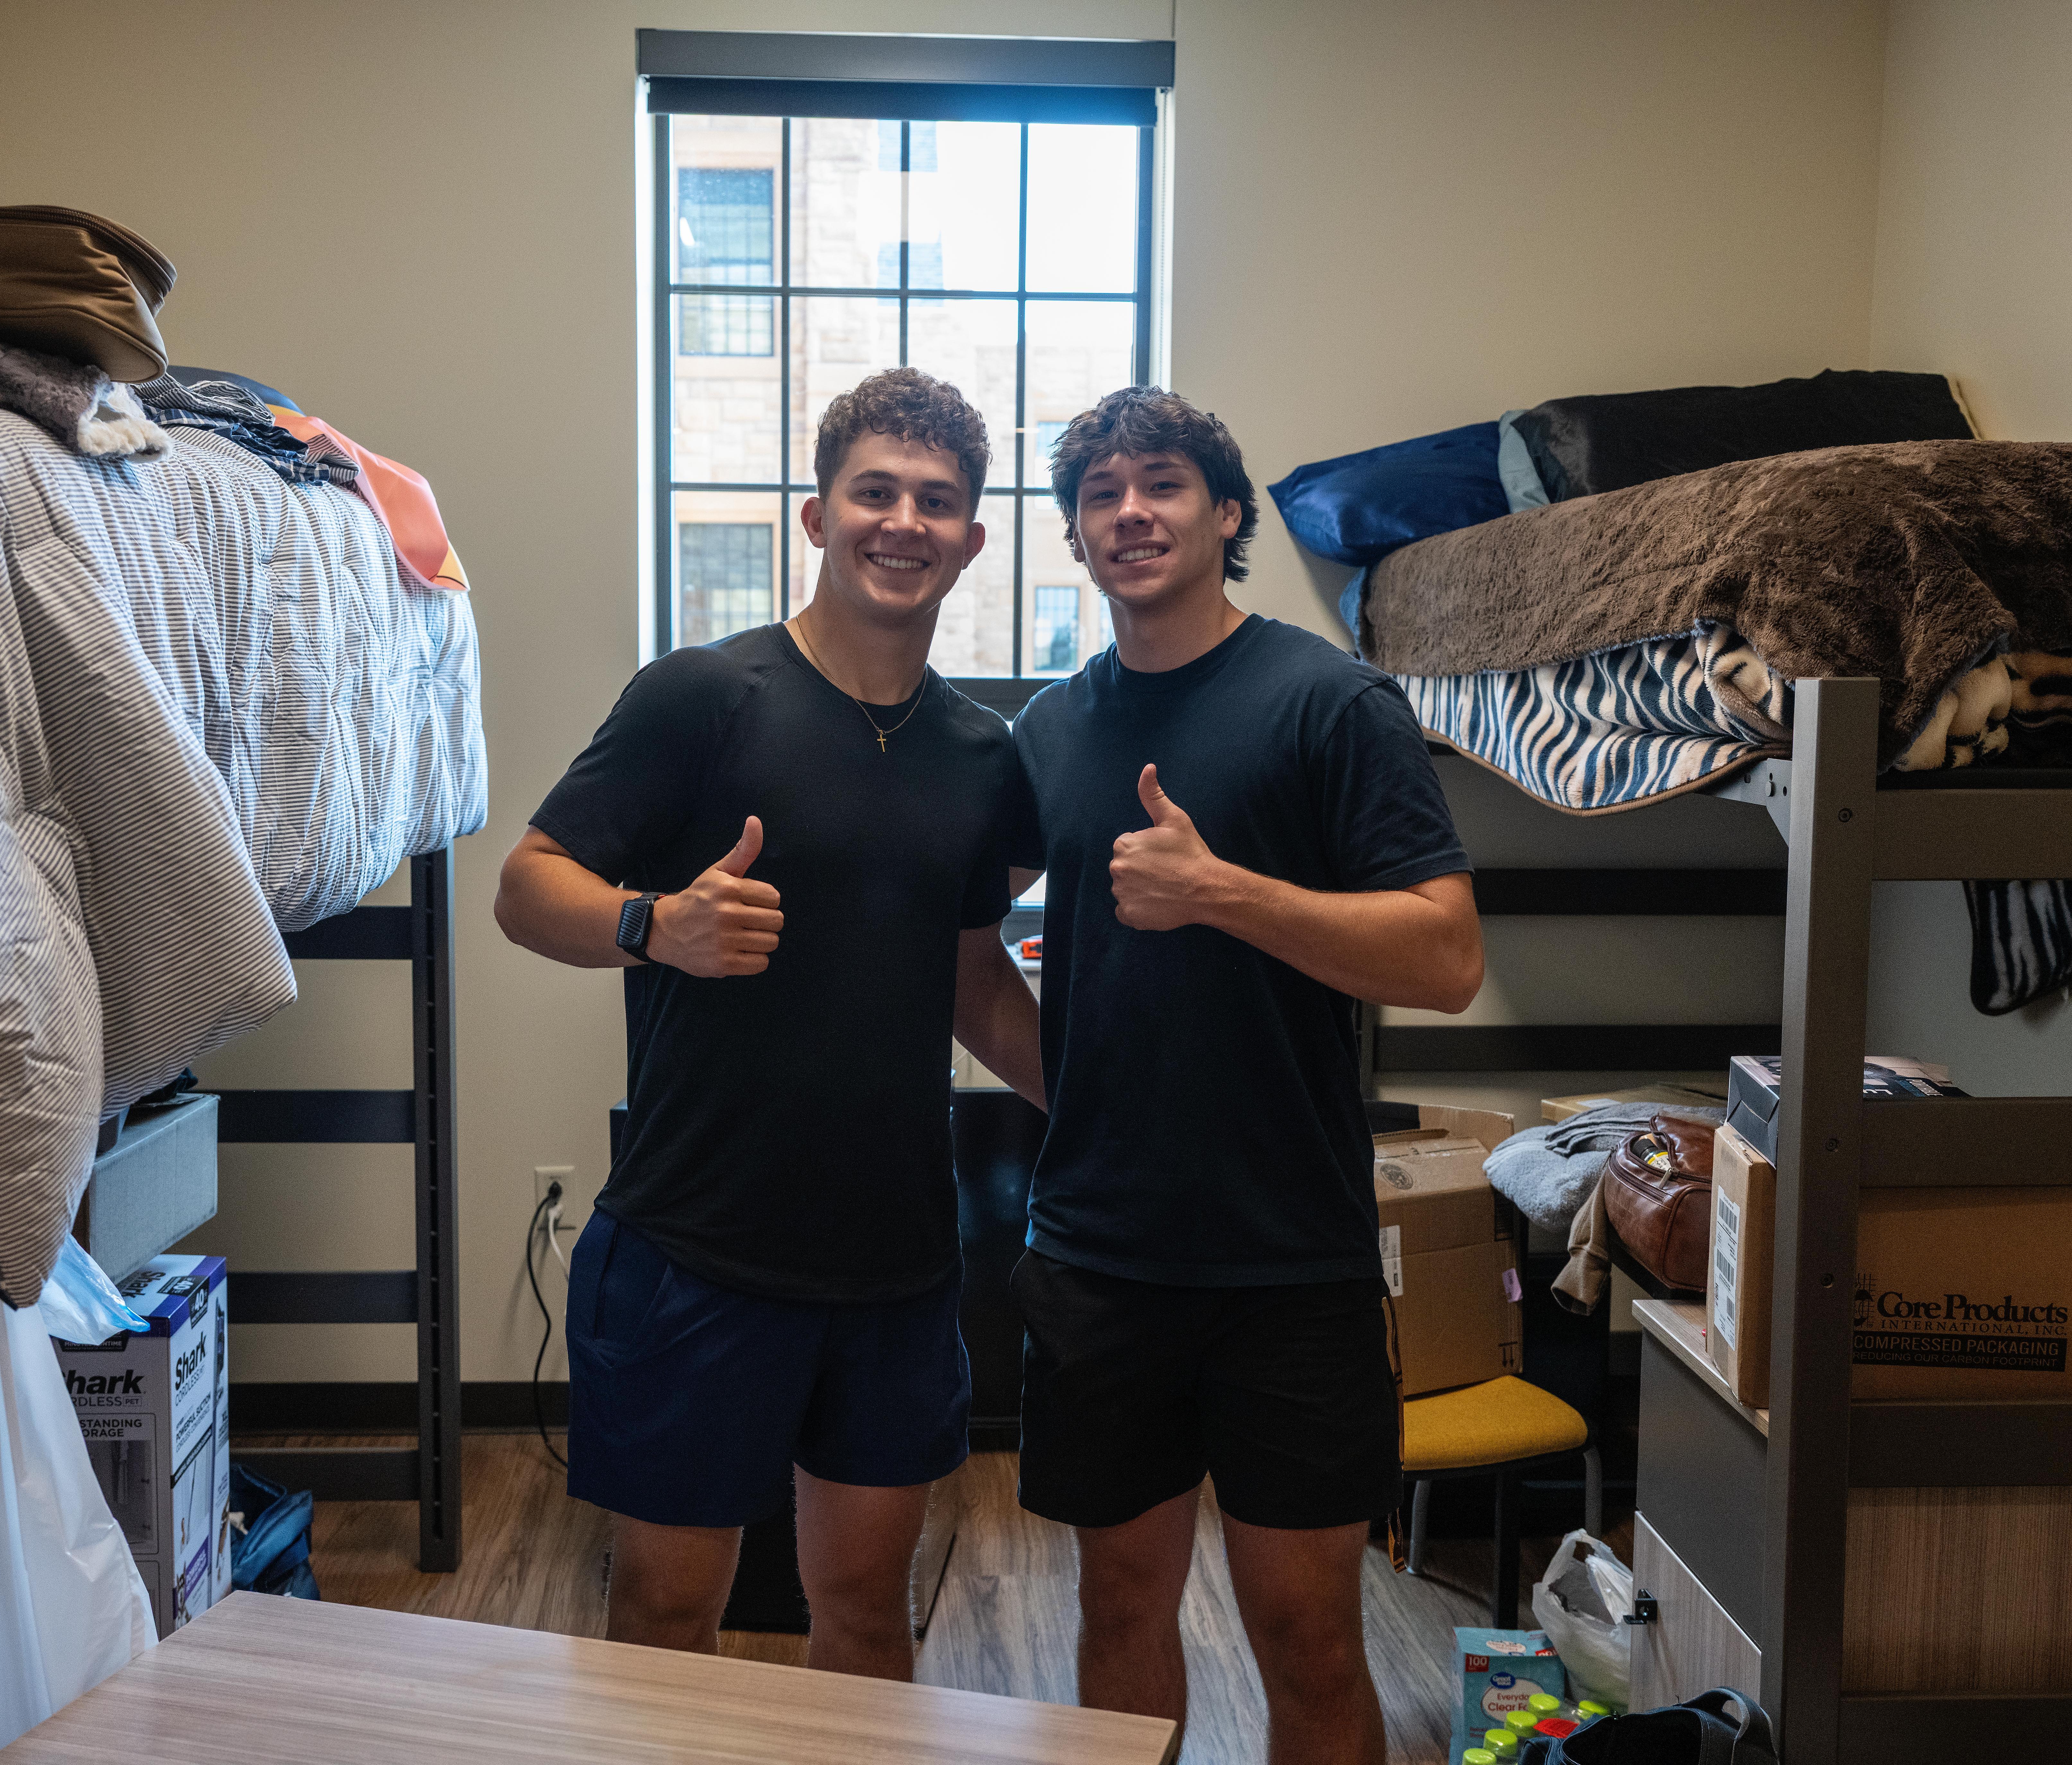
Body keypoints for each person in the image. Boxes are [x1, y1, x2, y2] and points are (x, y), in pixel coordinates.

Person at [494, 367, 1043, 1679]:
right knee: (671, 1626)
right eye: (875, 492)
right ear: (816, 516)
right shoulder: (701, 695)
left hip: (899, 1264)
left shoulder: (985, 756)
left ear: (972, 538)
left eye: (937, 501)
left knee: (863, 1615)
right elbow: (525, 886)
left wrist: (1100, 1097)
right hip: (699, 1250)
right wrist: (651, 923)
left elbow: (974, 975)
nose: (902, 521)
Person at [1007, 387, 1483, 1764]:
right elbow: (968, 954)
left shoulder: (1331, 703)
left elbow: (1446, 954)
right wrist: (1077, 1086)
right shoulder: (1048, 732)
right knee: (1119, 1605)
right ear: (1079, 536)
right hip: (1103, 1255)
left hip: (1293, 1260)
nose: (1130, 511)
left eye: (1161, 484)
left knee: (1310, 1632)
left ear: (1227, 515)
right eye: (1100, 494)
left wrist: (1225, 893)